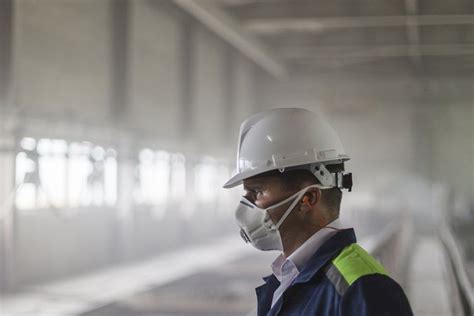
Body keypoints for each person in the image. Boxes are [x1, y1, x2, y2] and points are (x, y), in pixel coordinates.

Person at [223, 108, 413, 316]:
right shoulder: (288, 279)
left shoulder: (365, 289)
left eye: (257, 191)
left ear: (308, 199)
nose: (245, 206)